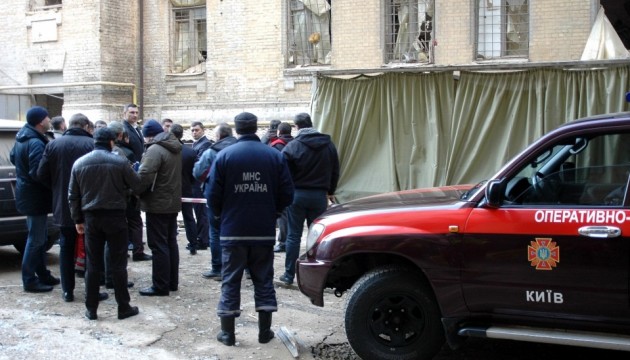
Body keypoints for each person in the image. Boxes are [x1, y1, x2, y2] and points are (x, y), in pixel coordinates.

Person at [208, 112, 294, 346]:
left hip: (232, 229)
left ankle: (228, 333)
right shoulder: (273, 156)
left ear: (237, 130)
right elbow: (287, 193)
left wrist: (220, 215)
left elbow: (212, 194)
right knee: (263, 279)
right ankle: (264, 333)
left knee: (230, 280)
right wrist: (274, 212)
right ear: (256, 128)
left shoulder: (225, 155)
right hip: (263, 230)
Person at [68, 128, 143, 321]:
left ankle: (91, 308)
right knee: (118, 264)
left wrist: (77, 219)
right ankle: (123, 306)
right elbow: (138, 185)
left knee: (93, 265)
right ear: (111, 142)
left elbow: (73, 196)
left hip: (91, 218)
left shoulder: (79, 163)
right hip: (116, 216)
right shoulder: (120, 162)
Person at [37, 113, 99, 302]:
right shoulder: (92, 145)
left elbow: (41, 174)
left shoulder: (54, 144)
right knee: (92, 248)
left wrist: (57, 188)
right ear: (86, 126)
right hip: (90, 204)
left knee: (66, 247)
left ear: (69, 125)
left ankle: (68, 291)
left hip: (63, 204)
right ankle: (92, 291)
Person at [279, 113, 339, 286]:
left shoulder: (292, 147)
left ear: (296, 127)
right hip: (319, 196)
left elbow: (284, 174)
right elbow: (335, 169)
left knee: (293, 236)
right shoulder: (328, 145)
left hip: (297, 196)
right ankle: (317, 278)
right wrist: (331, 191)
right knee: (318, 237)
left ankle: (289, 275)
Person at [10, 106, 60, 293]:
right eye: (47, 117)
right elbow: (38, 172)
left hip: (28, 194)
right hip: (35, 196)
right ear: (40, 121)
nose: (49, 120)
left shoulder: (22, 138)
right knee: (36, 239)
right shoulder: (36, 142)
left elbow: (13, 157)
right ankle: (29, 280)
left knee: (39, 237)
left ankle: (43, 274)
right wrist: (53, 184)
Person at [137, 119, 182, 296]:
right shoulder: (174, 147)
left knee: (158, 245)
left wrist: (136, 190)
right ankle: (171, 282)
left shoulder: (155, 149)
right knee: (170, 242)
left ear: (149, 136)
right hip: (171, 201)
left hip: (157, 203)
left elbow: (145, 174)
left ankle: (160, 285)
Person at [193, 122, 237, 280]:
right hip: (239, 197)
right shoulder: (241, 149)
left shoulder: (212, 151)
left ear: (218, 136)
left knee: (216, 232)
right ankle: (240, 268)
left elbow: (197, 173)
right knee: (238, 232)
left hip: (216, 198)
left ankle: (218, 268)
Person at [121, 104, 151, 261]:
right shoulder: (123, 129)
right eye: (131, 112)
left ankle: (133, 244)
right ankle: (133, 246)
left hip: (136, 171)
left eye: (136, 112)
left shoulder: (137, 128)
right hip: (130, 173)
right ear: (124, 113)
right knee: (132, 217)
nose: (134, 115)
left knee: (133, 216)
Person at [171, 123, 200, 255]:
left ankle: (170, 242)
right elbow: (195, 173)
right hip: (186, 187)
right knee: (189, 217)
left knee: (170, 217)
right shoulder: (191, 152)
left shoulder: (166, 150)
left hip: (170, 189)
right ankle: (193, 244)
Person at [270, 122, 294, 253]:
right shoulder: (297, 143)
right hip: (298, 183)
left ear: (279, 132)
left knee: (284, 215)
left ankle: (283, 242)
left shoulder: (276, 145)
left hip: (283, 184)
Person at [190, 121, 212, 250]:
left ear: (203, 130)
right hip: (196, 183)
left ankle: (203, 239)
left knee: (201, 212)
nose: (194, 132)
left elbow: (199, 163)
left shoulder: (205, 144)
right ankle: (202, 237)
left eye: (196, 130)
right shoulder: (197, 144)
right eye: (192, 130)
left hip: (199, 183)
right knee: (199, 212)